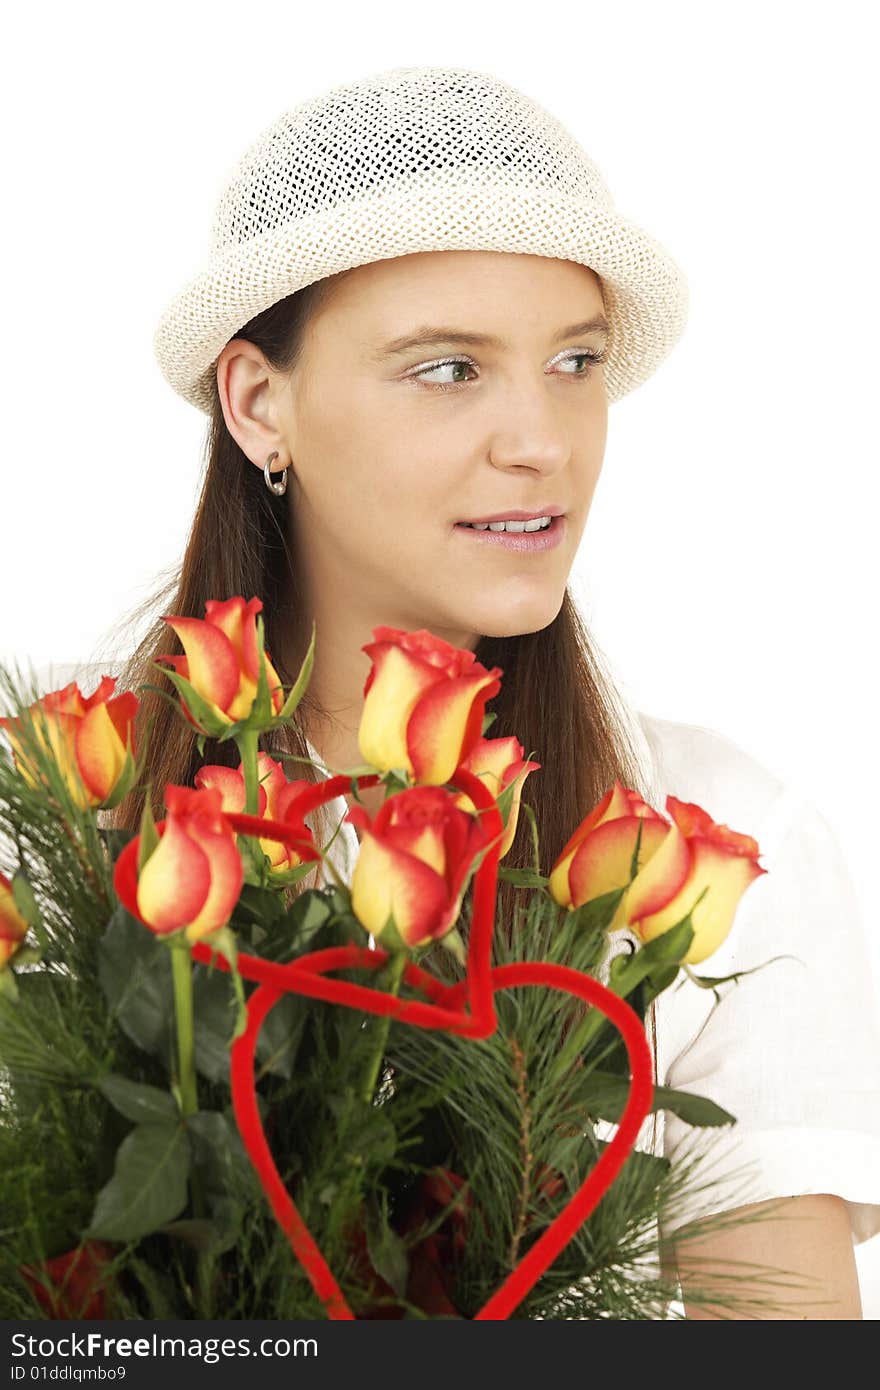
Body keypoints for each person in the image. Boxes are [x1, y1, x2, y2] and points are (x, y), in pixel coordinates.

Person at [72, 65, 880, 1317]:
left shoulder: (716, 833)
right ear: (257, 401)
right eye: (448, 369)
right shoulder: (77, 813)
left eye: (574, 360)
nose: (543, 440)